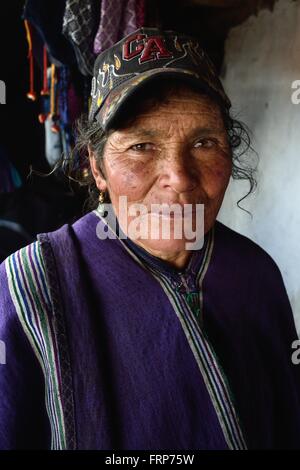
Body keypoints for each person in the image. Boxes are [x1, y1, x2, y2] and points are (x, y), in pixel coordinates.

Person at [1, 27, 300, 450]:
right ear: (98, 169)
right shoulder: (29, 289)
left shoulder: (256, 273)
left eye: (204, 142)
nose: (179, 178)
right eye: (141, 146)